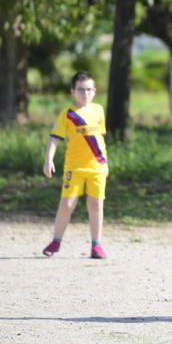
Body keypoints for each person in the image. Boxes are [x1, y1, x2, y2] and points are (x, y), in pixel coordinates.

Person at [41, 71, 109, 259]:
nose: (85, 93)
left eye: (89, 89)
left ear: (94, 91)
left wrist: (106, 163)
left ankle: (96, 245)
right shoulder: (68, 113)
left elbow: (100, 139)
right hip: (74, 167)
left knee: (96, 205)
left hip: (97, 166)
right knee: (67, 204)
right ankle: (56, 241)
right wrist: (49, 160)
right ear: (72, 91)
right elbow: (54, 138)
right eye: (80, 90)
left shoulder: (99, 110)